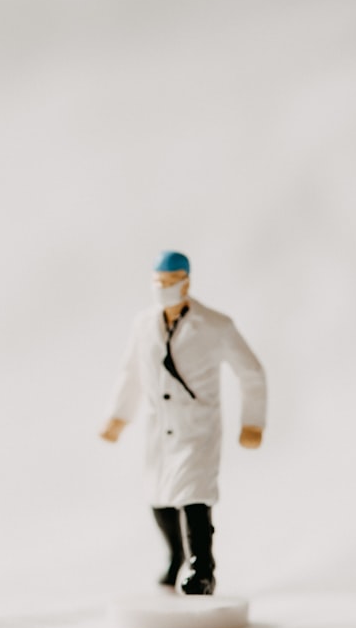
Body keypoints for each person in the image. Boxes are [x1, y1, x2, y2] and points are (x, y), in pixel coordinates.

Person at [99, 251, 266, 595]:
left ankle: (203, 569)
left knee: (194, 496)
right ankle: (176, 556)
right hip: (158, 427)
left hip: (196, 428)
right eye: (157, 282)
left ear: (186, 282)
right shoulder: (144, 323)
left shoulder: (217, 325)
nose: (162, 288)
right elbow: (131, 372)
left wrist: (252, 423)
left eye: (170, 282)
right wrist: (119, 417)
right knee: (159, 497)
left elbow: (250, 373)